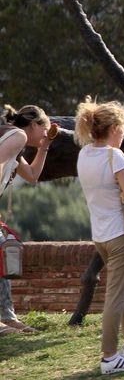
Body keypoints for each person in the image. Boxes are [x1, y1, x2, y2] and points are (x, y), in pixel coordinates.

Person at [74, 99, 124, 374]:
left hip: (100, 234)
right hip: (120, 234)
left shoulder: (84, 155)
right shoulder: (116, 157)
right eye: (123, 130)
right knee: (117, 295)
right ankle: (109, 357)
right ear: (114, 127)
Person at [0, 104, 53, 334]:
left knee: (4, 252)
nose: (44, 133)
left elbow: (32, 176)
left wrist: (46, 146)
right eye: (44, 129)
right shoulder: (18, 136)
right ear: (34, 124)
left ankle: (7, 318)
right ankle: (6, 319)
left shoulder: (15, 143)